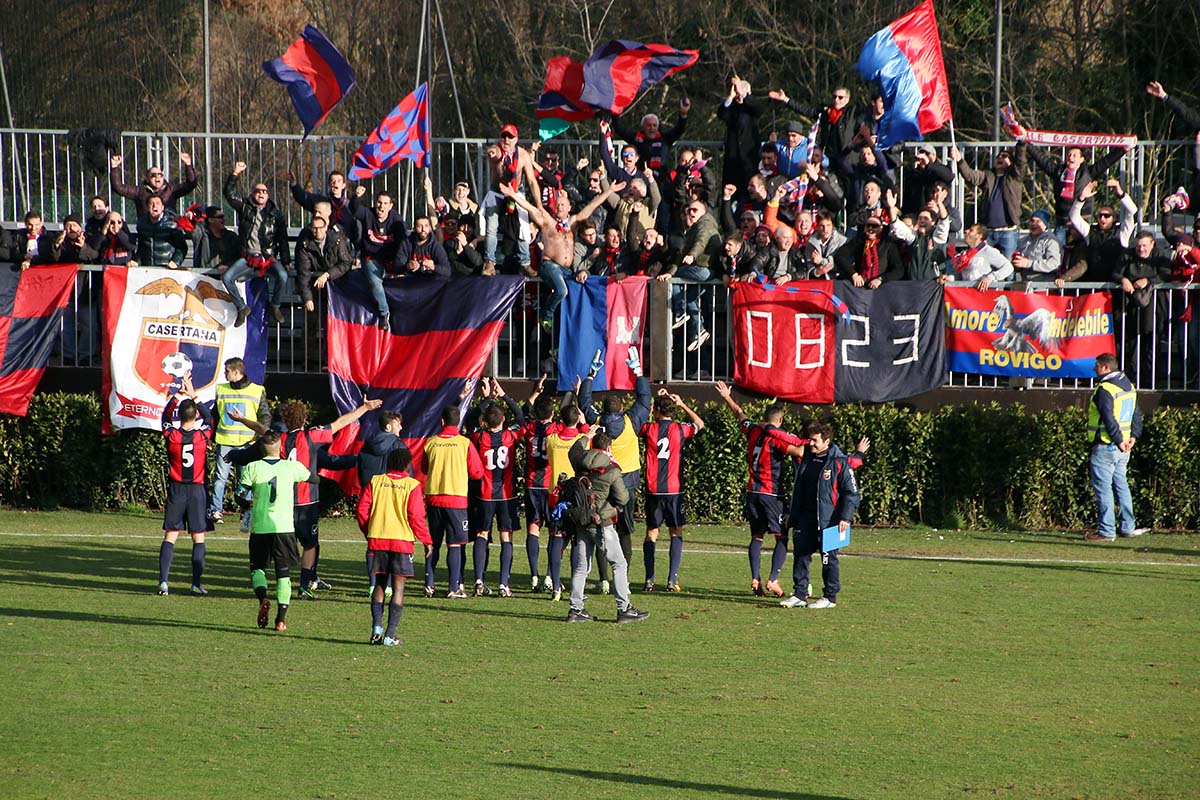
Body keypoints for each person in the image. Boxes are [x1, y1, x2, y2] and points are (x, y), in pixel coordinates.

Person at [714, 381, 807, 597]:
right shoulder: (776, 439)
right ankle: (773, 579)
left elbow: (739, 414)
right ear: (780, 420)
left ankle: (755, 578)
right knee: (782, 537)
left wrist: (727, 396)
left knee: (757, 537)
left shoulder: (753, 430)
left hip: (752, 492)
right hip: (771, 494)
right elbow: (800, 452)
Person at [498, 178, 621, 333]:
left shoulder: (574, 222)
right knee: (562, 291)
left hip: (566, 269)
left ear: (569, 207)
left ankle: (572, 328)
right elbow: (531, 208)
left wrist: (609, 191)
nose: (559, 206)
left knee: (577, 289)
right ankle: (545, 315)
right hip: (550, 265)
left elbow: (592, 206)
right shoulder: (548, 221)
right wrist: (513, 195)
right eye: (557, 204)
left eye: (563, 203)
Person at [578, 347, 651, 583]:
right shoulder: (631, 421)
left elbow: (584, 401)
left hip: (601, 482)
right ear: (621, 409)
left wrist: (590, 375)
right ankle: (623, 575)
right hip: (627, 482)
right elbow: (645, 399)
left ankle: (603, 580)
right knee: (625, 530)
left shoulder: (597, 421)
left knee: (602, 527)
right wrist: (638, 372)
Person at [564, 430, 651, 624]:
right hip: (602, 523)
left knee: (580, 567)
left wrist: (586, 434)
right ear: (609, 448)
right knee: (619, 564)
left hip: (581, 520)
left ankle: (575, 609)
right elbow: (623, 498)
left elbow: (574, 450)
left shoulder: (580, 461)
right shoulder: (612, 470)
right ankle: (624, 608)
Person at [356, 446, 432, 646]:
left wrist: (369, 531)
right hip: (401, 542)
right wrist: (426, 540)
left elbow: (362, 510)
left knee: (380, 583)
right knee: (398, 588)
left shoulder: (375, 481)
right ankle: (390, 636)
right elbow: (416, 517)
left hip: (378, 540)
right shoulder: (412, 485)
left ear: (388, 463)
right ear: (407, 464)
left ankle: (376, 629)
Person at [780, 420, 860, 610]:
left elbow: (852, 492)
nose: (811, 443)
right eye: (810, 440)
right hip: (805, 517)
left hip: (830, 520)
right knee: (801, 555)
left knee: (828, 558)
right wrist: (793, 514)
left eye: (815, 440)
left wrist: (845, 517)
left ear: (827, 441)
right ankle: (800, 594)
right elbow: (798, 489)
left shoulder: (839, 462)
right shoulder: (807, 458)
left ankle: (829, 597)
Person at [239, 431, 313, 632]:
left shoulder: (252, 467)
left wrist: (247, 504)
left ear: (262, 447)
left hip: (261, 528)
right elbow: (313, 478)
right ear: (280, 447)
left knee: (258, 569)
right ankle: (281, 620)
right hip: (284, 528)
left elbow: (241, 495)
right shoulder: (291, 467)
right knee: (283, 573)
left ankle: (263, 598)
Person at [421, 396, 486, 598]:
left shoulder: (430, 443)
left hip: (433, 498)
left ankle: (429, 584)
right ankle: (453, 587)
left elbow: (424, 468)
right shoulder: (464, 443)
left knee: (434, 542)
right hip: (456, 499)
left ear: (442, 422)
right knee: (455, 543)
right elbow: (477, 473)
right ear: (457, 422)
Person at [465, 378, 525, 597]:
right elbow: (521, 416)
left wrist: (487, 398)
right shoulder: (510, 436)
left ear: (485, 421)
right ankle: (503, 584)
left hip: (484, 495)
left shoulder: (479, 436)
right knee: (506, 536)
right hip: (506, 496)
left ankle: (479, 581)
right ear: (503, 420)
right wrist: (504, 395)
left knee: (482, 534)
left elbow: (471, 418)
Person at [640, 389, 704, 592]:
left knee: (652, 533)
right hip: (674, 491)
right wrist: (682, 403)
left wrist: (649, 408)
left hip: (653, 489)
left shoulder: (649, 429)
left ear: (657, 410)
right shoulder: (680, 429)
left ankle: (649, 579)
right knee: (675, 532)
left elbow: (635, 424)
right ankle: (671, 580)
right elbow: (700, 424)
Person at [158, 377, 213, 596]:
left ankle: (163, 582)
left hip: (177, 489)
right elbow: (210, 416)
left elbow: (164, 416)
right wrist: (193, 394)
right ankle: (196, 583)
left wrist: (177, 395)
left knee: (171, 535)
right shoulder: (202, 436)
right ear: (195, 416)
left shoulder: (171, 436)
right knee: (198, 537)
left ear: (179, 416)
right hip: (197, 491)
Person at [1085, 353, 1148, 541]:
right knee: (1121, 485)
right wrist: (1133, 437)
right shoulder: (1129, 386)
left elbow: (1108, 417)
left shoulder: (1105, 389)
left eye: (1097, 365)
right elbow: (1136, 414)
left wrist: (1118, 439)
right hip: (1124, 447)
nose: (1094, 368)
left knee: (1103, 488)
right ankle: (1128, 527)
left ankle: (1106, 531)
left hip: (1107, 444)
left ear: (1106, 367)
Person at [223, 161, 291, 326]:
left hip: (267, 257)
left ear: (268, 195)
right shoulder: (245, 207)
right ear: (253, 194)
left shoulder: (276, 214)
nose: (261, 193)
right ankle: (241, 307)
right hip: (248, 257)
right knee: (227, 277)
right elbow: (229, 194)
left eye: (264, 191)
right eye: (258, 191)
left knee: (282, 275)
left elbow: (282, 239)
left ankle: (274, 306)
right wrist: (235, 173)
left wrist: (287, 260)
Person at [208, 357, 270, 527]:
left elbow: (265, 416)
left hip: (247, 442)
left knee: (246, 480)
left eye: (227, 371)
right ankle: (215, 510)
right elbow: (215, 415)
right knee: (220, 478)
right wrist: (211, 437)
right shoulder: (221, 388)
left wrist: (260, 438)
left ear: (237, 372)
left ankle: (246, 511)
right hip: (225, 440)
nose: (224, 374)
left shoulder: (257, 390)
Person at [543, 402, 591, 601]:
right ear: (577, 419)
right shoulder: (582, 440)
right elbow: (588, 435)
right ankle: (575, 587)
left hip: (556, 495)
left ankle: (555, 586)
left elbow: (549, 427)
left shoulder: (552, 439)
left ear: (561, 420)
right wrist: (584, 422)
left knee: (556, 539)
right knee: (576, 541)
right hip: (576, 498)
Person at [481, 124, 541, 274]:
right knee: (491, 227)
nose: (506, 140)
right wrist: (492, 153)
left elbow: (532, 182)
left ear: (516, 139)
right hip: (497, 192)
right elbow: (492, 151)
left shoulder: (523, 155)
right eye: (504, 137)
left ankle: (525, 262)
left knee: (523, 224)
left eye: (510, 137)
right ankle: (489, 262)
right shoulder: (498, 152)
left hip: (515, 191)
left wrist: (538, 205)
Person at [951, 143, 1027, 259]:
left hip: (1008, 231)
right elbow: (970, 176)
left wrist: (1021, 143)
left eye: (1004, 156)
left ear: (1011, 162)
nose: (1000, 157)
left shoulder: (1014, 176)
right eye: (998, 156)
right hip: (988, 231)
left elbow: (1021, 162)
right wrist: (959, 160)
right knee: (982, 264)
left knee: (1008, 267)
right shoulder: (988, 175)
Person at [666, 200, 722, 352]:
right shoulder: (693, 229)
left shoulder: (705, 225)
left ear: (703, 212)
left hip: (704, 268)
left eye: (695, 210)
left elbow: (701, 242)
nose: (691, 213)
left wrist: (692, 255)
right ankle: (700, 330)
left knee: (675, 278)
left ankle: (679, 311)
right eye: (689, 210)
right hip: (704, 269)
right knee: (690, 297)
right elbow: (682, 253)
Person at [350, 189, 408, 327]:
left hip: (391, 259)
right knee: (375, 283)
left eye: (385, 203)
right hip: (372, 258)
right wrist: (356, 197)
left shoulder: (396, 220)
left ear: (390, 206)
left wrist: (399, 265)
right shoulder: (368, 213)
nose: (381, 206)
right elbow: (354, 210)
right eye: (379, 202)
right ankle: (384, 313)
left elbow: (403, 243)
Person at [520, 376, 556, 592]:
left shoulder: (530, 427)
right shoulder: (556, 429)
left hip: (533, 484)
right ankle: (550, 576)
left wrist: (535, 392)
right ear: (552, 413)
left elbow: (522, 412)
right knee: (554, 531)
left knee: (533, 527)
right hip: (550, 486)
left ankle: (534, 575)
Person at [717, 76, 766, 201]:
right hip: (733, 160)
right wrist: (730, 96)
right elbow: (721, 114)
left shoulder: (752, 108)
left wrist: (743, 95)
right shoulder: (731, 107)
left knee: (749, 193)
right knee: (731, 193)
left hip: (749, 159)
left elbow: (759, 108)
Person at [108, 152, 197, 220]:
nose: (157, 177)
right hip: (147, 231)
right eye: (153, 175)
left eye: (160, 175)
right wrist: (115, 167)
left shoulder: (171, 189)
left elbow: (191, 184)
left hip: (167, 229)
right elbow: (118, 188)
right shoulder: (140, 191)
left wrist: (188, 165)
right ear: (147, 179)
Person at [294, 213, 354, 313]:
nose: (318, 231)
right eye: (314, 228)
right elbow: (303, 272)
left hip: (338, 284)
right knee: (314, 318)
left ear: (326, 227)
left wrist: (327, 275)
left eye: (320, 227)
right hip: (316, 286)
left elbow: (346, 263)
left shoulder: (337, 240)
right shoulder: (305, 245)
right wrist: (307, 298)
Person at [289, 169, 357, 247]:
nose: (335, 183)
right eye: (332, 181)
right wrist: (294, 184)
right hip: (326, 245)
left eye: (339, 181)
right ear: (329, 184)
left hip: (345, 246)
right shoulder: (321, 202)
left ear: (343, 185)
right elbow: (304, 198)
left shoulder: (350, 206)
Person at [946, 224, 1014, 289]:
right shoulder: (964, 254)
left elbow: (1008, 267)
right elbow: (961, 276)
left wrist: (991, 277)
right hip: (966, 296)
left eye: (971, 230)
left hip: (984, 295)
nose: (966, 231)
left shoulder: (988, 251)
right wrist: (949, 278)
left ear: (979, 236)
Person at [135, 196, 188, 269]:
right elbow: (141, 248)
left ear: (162, 207)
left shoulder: (172, 224)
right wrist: (136, 261)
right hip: (147, 269)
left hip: (167, 268)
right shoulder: (142, 224)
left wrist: (175, 261)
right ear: (147, 207)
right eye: (151, 203)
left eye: (157, 203)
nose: (154, 206)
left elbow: (182, 247)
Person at [1012, 210, 1063, 281]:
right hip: (1025, 285)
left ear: (1045, 225)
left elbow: (1054, 264)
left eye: (1038, 221)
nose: (1034, 224)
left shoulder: (1051, 241)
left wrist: (1028, 263)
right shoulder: (1023, 241)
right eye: (1032, 221)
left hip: (1043, 287)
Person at [190, 206, 242, 271]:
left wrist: (228, 266)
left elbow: (238, 256)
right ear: (210, 220)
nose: (223, 219)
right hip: (205, 276)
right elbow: (191, 229)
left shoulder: (231, 236)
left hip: (226, 275)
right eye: (220, 217)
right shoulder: (202, 235)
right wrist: (192, 217)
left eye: (223, 216)